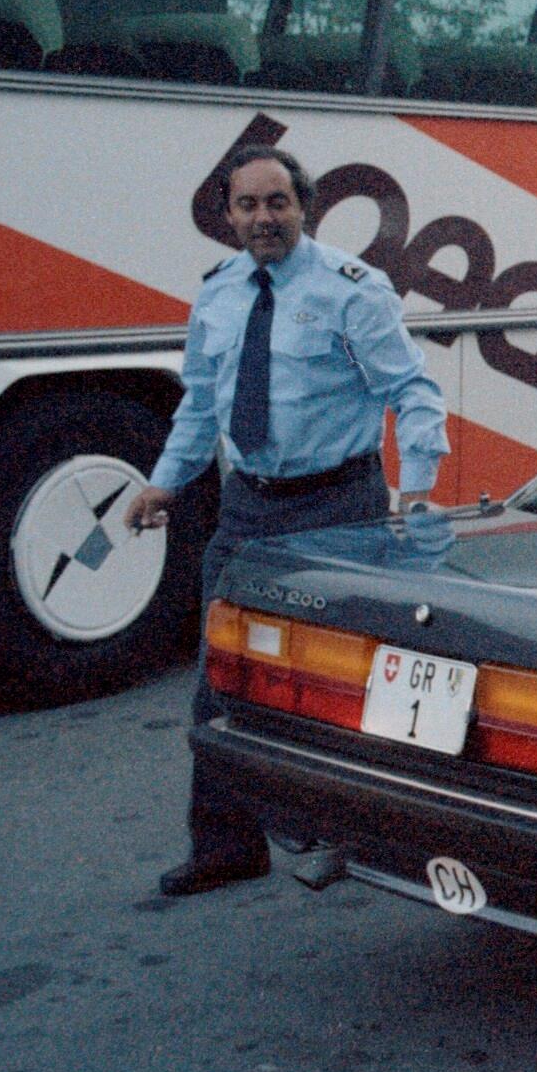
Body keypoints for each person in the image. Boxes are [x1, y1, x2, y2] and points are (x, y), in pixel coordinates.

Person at [124, 144, 448, 898]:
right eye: (248, 205)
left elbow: (414, 391)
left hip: (338, 506)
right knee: (220, 677)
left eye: (278, 202)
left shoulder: (353, 290)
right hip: (249, 506)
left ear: (304, 206)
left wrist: (419, 488)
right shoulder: (219, 292)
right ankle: (226, 846)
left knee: (340, 681)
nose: (264, 218)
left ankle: (349, 837)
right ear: (228, 215)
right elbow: (201, 402)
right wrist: (164, 484)